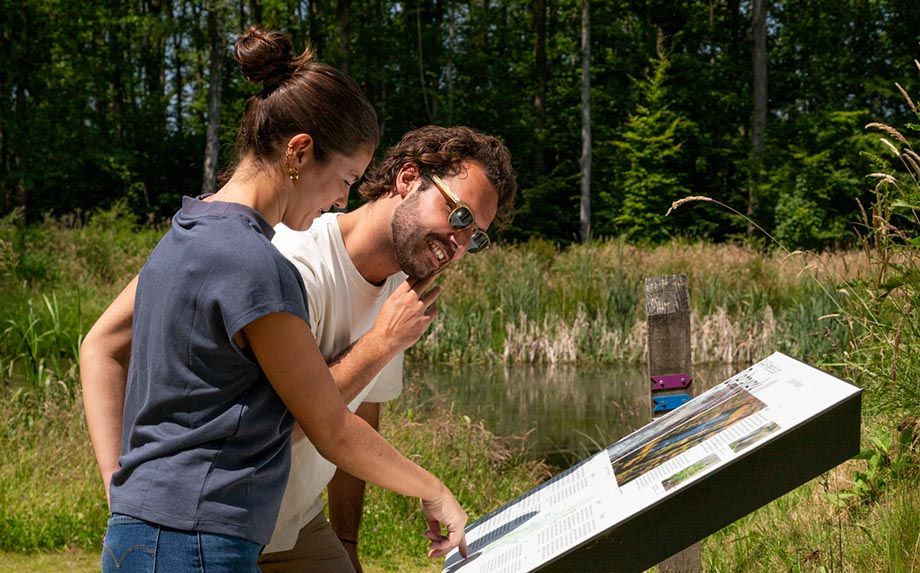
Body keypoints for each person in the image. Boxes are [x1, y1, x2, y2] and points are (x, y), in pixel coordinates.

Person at [79, 27, 467, 573]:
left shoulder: (184, 234)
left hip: (133, 539)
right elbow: (329, 425)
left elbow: (98, 344)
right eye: (346, 178)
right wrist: (432, 489)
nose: (342, 199)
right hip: (204, 543)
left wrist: (123, 492)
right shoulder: (260, 265)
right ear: (299, 152)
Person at [258, 125, 517, 573]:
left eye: (474, 237)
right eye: (458, 217)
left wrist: (346, 541)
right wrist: (382, 342)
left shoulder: (400, 287)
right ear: (407, 177)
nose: (457, 248)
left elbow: (362, 414)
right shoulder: (297, 266)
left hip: (294, 524)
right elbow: (282, 427)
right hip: (228, 522)